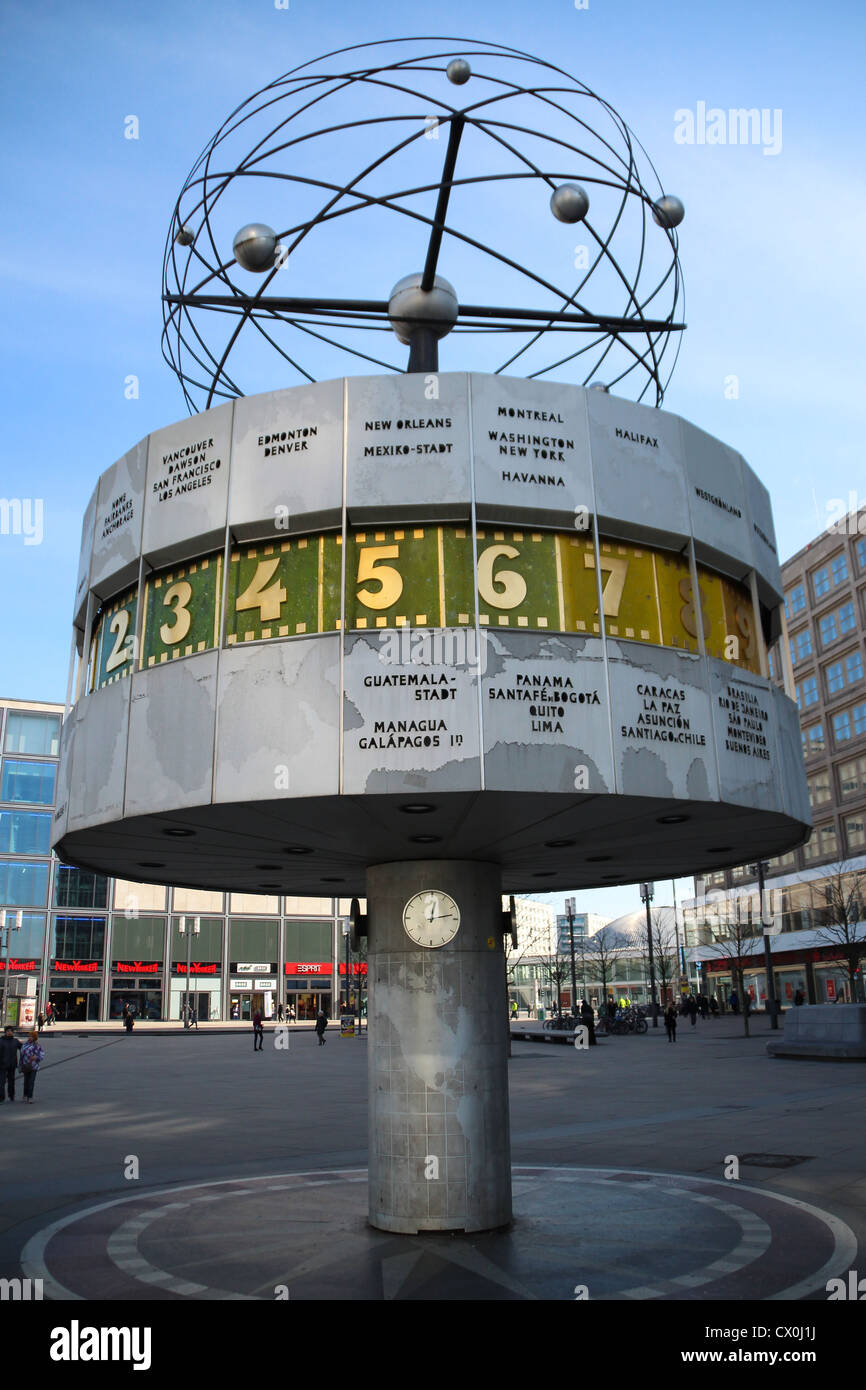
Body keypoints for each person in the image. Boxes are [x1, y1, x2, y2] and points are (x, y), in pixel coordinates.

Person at [19, 1031, 45, 1104]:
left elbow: (42, 1055)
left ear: (34, 1038)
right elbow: (21, 1056)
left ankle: (30, 1097)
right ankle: (25, 1095)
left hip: (33, 1066)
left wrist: (35, 1057)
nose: (30, 1038)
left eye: (32, 1037)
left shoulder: (37, 1046)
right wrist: (20, 1066)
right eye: (29, 1036)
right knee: (26, 1082)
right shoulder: (24, 1045)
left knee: (31, 1082)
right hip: (25, 1065)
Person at [1, 1026, 22, 1102]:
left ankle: (11, 1095)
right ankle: (1, 1097)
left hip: (12, 1065)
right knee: (1, 1082)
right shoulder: (1, 1041)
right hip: (2, 1065)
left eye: (11, 1031)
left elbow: (23, 1048)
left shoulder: (15, 1041)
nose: (9, 1032)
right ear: (5, 1032)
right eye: (8, 1031)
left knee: (11, 1082)